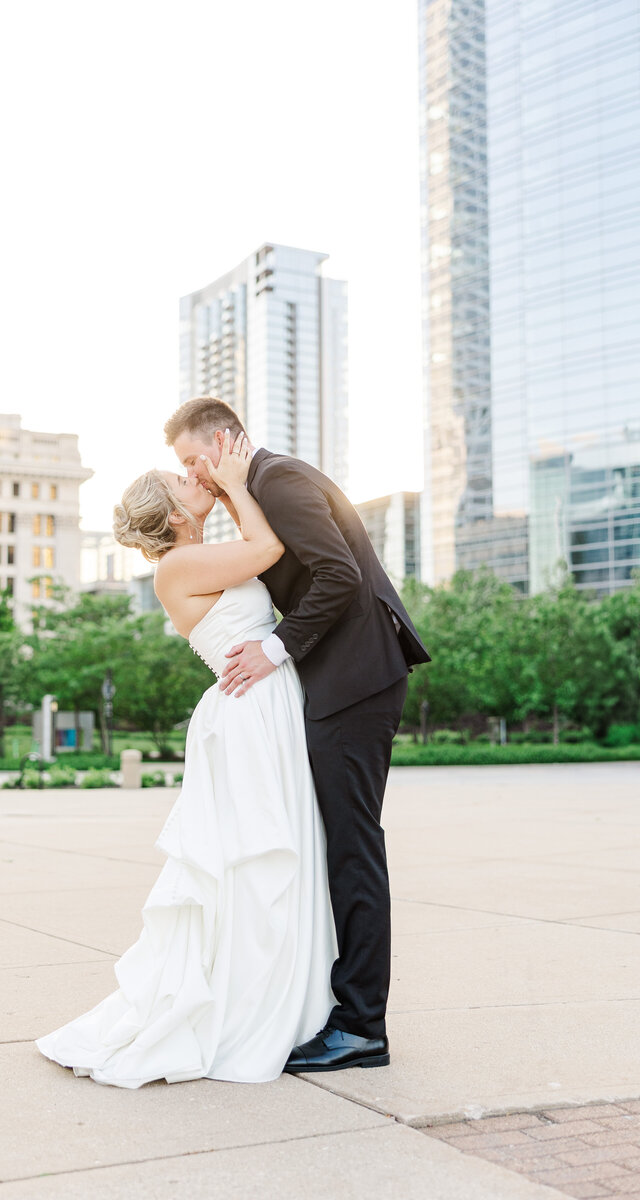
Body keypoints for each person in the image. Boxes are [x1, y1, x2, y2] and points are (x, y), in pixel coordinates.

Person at [34, 433, 338, 1087]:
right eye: (180, 483)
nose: (191, 478)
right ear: (174, 515)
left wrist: (230, 489)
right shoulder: (176, 567)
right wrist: (233, 483)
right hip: (249, 714)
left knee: (276, 854)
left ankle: (287, 995)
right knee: (259, 861)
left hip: (266, 704)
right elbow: (268, 549)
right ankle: (251, 1004)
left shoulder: (199, 552)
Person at [165, 396, 430, 1073]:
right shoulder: (265, 486)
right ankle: (340, 1010)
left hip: (356, 680)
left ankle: (361, 1027)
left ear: (224, 442)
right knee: (344, 845)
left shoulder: (276, 481)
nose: (195, 474)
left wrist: (275, 650)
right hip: (345, 679)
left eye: (196, 459)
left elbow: (339, 574)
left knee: (353, 849)